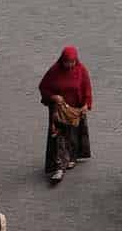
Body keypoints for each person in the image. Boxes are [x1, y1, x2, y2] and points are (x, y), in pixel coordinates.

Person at [37, 45, 93, 184]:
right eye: (67, 61)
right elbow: (43, 87)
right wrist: (54, 97)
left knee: (73, 136)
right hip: (59, 112)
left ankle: (72, 158)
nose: (70, 64)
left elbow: (86, 87)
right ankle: (58, 168)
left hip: (74, 111)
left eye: (72, 62)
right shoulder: (54, 71)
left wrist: (86, 104)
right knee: (58, 139)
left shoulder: (81, 70)